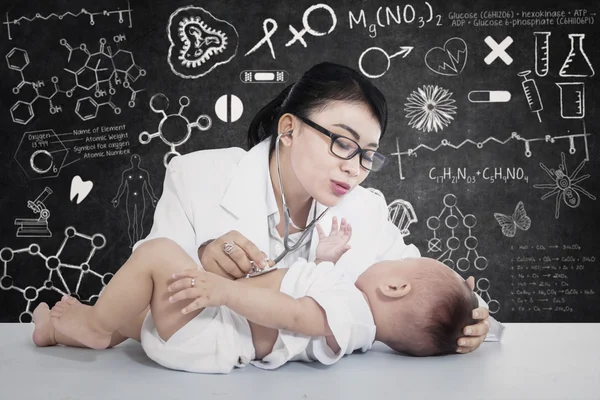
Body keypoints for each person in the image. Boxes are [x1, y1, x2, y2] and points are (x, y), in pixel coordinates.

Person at [34, 218, 477, 374]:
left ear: (395, 287)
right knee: (138, 315)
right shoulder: (350, 309)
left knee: (159, 255)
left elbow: (300, 315)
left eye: (401, 263)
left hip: (210, 336)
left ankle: (93, 328)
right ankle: (58, 331)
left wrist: (226, 291)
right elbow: (315, 297)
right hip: (203, 330)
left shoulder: (352, 312)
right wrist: (324, 258)